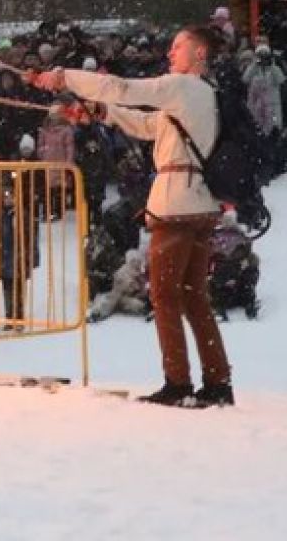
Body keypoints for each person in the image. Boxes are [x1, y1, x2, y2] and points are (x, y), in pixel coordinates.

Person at [34, 25, 234, 407]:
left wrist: (64, 77)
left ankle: (177, 382)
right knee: (194, 298)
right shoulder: (203, 97)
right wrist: (100, 112)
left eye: (179, 46)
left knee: (164, 296)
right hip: (198, 204)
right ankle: (217, 380)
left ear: (200, 55)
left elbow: (123, 88)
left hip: (176, 206)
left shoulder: (184, 86)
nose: (171, 52)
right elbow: (146, 124)